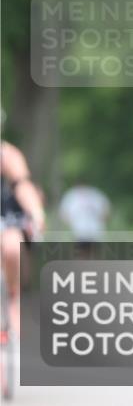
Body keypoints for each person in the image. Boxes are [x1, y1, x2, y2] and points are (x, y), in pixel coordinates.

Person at [1, 117, 46, 338]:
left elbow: (22, 185)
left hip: (6, 220)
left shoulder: (7, 154)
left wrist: (36, 211)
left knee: (12, 246)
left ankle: (13, 298)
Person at [58, 182, 111, 257]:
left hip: (94, 232)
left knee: (93, 254)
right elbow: (64, 214)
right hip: (79, 233)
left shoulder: (96, 194)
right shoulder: (71, 196)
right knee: (82, 255)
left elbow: (106, 212)